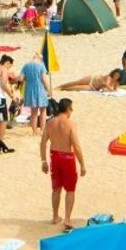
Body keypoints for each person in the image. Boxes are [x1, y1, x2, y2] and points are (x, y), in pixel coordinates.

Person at [37, 98, 87, 230]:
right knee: (70, 189)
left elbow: (43, 143)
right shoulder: (70, 124)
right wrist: (82, 164)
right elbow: (76, 146)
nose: (72, 112)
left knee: (56, 189)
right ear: (68, 109)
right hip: (67, 158)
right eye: (71, 109)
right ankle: (67, 219)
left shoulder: (50, 123)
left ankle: (55, 216)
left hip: (54, 157)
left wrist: (43, 161)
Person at [19, 52, 50, 131]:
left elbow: (21, 78)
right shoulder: (41, 66)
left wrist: (28, 79)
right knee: (43, 111)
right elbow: (44, 79)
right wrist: (48, 89)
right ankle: (42, 130)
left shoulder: (26, 66)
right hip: (40, 89)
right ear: (40, 59)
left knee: (33, 112)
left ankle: (34, 131)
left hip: (29, 89)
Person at [58, 69, 123, 92]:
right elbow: (105, 84)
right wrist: (111, 90)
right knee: (76, 82)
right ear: (113, 73)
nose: (116, 76)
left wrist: (113, 89)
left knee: (75, 88)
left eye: (118, 75)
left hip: (93, 87)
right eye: (116, 74)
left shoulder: (116, 82)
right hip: (92, 79)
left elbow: (115, 89)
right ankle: (60, 86)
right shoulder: (109, 77)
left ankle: (62, 88)